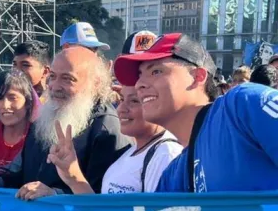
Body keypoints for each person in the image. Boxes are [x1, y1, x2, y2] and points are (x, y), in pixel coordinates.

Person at [0, 46, 131, 198]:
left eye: (67, 78)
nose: (55, 86)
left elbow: (103, 202)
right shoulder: (46, 116)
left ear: (95, 83)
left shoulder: (108, 129)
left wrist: (54, 194)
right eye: (53, 76)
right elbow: (21, 172)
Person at [114, 32, 278, 192]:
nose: (139, 84)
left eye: (156, 71)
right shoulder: (172, 177)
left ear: (197, 77)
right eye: (140, 75)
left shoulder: (243, 105)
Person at [49, 85, 183, 194]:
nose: (121, 109)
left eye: (134, 101)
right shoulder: (135, 150)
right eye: (122, 99)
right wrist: (73, 175)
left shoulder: (166, 154)